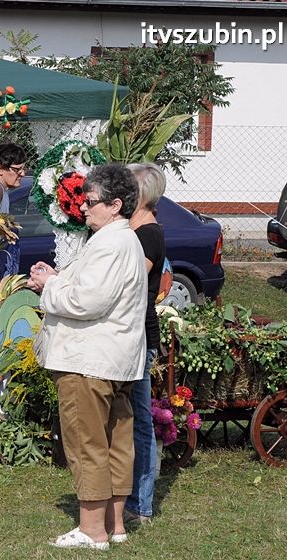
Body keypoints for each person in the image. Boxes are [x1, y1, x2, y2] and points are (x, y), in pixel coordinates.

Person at [28, 163, 147, 550]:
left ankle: (93, 530)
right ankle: (115, 526)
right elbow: (90, 288)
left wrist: (49, 287)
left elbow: (87, 301)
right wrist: (58, 276)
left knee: (86, 444)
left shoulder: (112, 242)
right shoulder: (120, 240)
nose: (83, 208)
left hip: (88, 361)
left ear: (115, 205)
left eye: (91, 201)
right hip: (111, 359)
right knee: (114, 442)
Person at [124, 162, 167, 524]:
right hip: (129, 331)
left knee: (140, 420)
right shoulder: (133, 230)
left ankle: (141, 503)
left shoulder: (148, 234)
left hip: (139, 333)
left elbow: (129, 277)